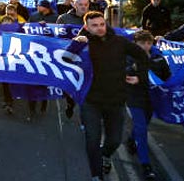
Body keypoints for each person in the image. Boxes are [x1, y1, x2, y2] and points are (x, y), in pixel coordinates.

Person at [73, 11, 149, 181]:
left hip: (116, 100)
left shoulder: (120, 42)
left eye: (102, 24)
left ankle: (105, 155)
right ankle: (96, 175)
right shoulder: (83, 44)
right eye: (95, 26)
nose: (100, 28)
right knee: (92, 140)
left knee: (114, 140)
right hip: (90, 101)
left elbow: (143, 56)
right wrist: (76, 45)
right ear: (86, 27)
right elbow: (66, 59)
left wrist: (140, 77)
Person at [124, 30, 171, 180]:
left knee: (143, 124)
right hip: (135, 97)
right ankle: (146, 165)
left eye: (148, 43)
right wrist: (133, 70)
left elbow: (167, 77)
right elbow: (123, 74)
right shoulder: (128, 56)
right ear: (135, 43)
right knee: (142, 129)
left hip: (152, 98)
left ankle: (131, 139)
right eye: (142, 43)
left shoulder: (158, 58)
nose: (145, 46)